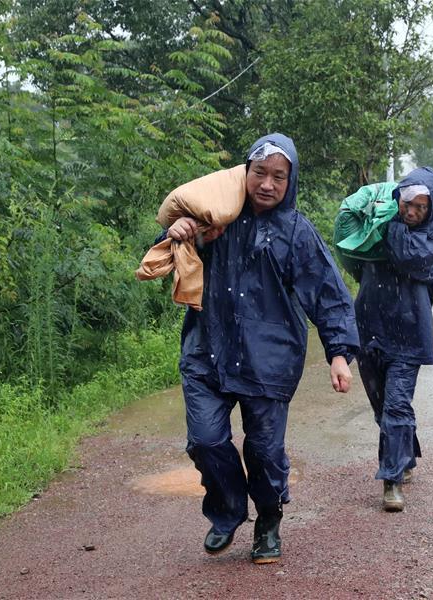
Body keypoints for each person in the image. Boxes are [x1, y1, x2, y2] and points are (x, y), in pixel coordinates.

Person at [165, 133, 360, 563]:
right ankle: (228, 511)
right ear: (245, 172)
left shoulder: (296, 231)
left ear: (290, 182)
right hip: (207, 351)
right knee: (205, 440)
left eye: (278, 176)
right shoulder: (214, 216)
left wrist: (339, 353)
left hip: (268, 360)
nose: (267, 184)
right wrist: (180, 232)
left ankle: (268, 520)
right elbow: (174, 251)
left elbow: (327, 294)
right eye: (260, 173)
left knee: (264, 452)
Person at [354, 167, 433, 512]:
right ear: (398, 199)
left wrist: (388, 225)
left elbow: (413, 259)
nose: (411, 212)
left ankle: (391, 481)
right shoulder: (377, 225)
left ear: (431, 208)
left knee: (396, 405)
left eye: (420, 207)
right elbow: (351, 253)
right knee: (382, 408)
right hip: (370, 326)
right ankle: (405, 455)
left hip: (409, 332)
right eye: (407, 203)